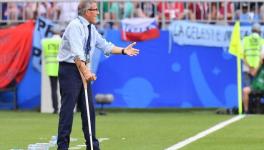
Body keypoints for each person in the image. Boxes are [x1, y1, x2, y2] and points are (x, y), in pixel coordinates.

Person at [57, 0, 139, 149]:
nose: (98, 12)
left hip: (82, 68)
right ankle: (62, 147)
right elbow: (77, 54)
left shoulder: (91, 28)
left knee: (89, 109)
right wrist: (86, 71)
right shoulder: (75, 26)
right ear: (87, 12)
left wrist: (123, 50)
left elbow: (104, 45)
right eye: (95, 9)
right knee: (68, 110)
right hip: (70, 70)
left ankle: (93, 146)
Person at [242, 23, 264, 114]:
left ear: (251, 31)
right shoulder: (262, 41)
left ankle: (247, 111)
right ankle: (254, 109)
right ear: (260, 32)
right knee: (254, 90)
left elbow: (242, 55)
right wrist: (255, 69)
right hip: (258, 69)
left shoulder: (245, 40)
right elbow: (262, 57)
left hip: (247, 69)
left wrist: (250, 67)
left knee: (247, 89)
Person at [41, 25, 62, 114]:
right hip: (62, 68)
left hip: (51, 68)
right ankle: (65, 109)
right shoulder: (63, 42)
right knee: (64, 89)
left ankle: (55, 109)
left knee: (54, 89)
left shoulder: (45, 42)